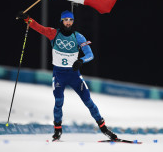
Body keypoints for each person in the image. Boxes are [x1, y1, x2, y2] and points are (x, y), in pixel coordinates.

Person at [17, 10, 118, 141]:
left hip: (74, 76)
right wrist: (27, 18)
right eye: (66, 20)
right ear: (62, 21)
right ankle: (57, 130)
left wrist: (81, 60)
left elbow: (90, 55)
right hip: (59, 75)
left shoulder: (78, 36)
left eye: (70, 20)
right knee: (59, 102)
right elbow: (38, 27)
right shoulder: (54, 33)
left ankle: (104, 128)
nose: (68, 22)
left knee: (89, 102)